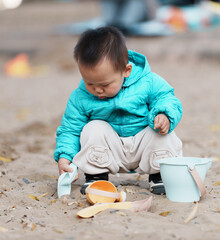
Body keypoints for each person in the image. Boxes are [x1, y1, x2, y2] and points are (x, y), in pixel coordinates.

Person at [54, 26, 183, 195]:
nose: (97, 90)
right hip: (108, 150)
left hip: (143, 145)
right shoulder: (80, 97)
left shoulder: (148, 82)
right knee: (92, 128)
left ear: (126, 70)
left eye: (104, 84)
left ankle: (159, 174)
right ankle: (96, 175)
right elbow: (70, 129)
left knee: (162, 134)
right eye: (90, 83)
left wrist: (164, 114)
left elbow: (167, 99)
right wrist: (65, 157)